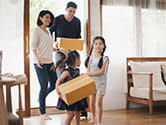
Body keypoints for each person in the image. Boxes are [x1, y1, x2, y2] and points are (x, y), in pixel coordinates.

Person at [31, 10, 57, 120]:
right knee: (44, 86)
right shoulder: (36, 30)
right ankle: (42, 112)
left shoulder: (48, 31)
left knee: (55, 84)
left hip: (50, 62)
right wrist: (37, 60)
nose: (48, 20)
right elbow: (33, 47)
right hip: (40, 63)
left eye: (50, 18)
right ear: (40, 18)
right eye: (46, 17)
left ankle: (41, 98)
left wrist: (58, 49)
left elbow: (50, 48)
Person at [56, 50, 88, 125]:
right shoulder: (67, 72)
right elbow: (58, 80)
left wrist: (81, 77)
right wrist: (57, 90)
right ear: (74, 60)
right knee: (70, 115)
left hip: (76, 96)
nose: (80, 61)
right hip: (68, 96)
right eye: (79, 59)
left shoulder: (77, 70)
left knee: (77, 113)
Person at [85, 36, 109, 125]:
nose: (98, 46)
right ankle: (93, 117)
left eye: (100, 44)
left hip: (101, 83)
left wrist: (88, 74)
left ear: (103, 46)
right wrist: (86, 76)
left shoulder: (105, 58)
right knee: (91, 103)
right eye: (96, 44)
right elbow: (88, 70)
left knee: (98, 103)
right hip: (92, 83)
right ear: (93, 46)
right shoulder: (90, 58)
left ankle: (99, 122)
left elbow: (101, 72)